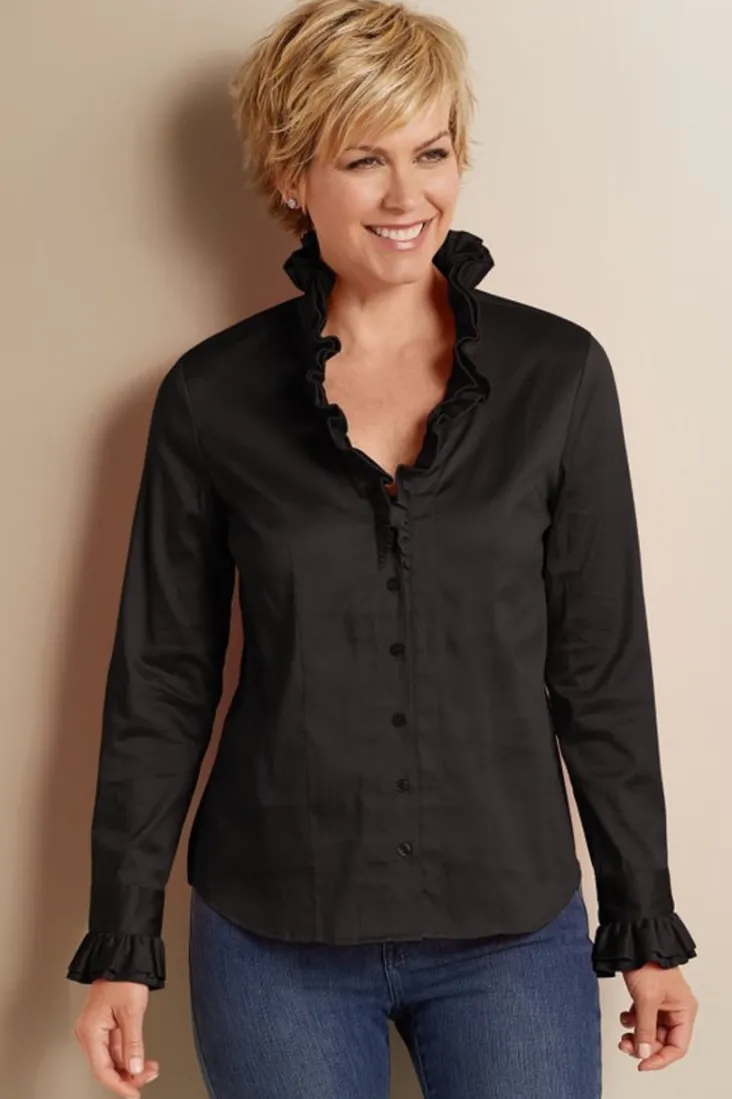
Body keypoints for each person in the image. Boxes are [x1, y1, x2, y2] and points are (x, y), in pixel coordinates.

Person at [68, 1, 699, 1096]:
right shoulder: (211, 397)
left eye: (432, 152)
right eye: (364, 159)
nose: (409, 196)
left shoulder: (558, 378)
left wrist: (643, 921)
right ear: (293, 175)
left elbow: (598, 671)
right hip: (273, 933)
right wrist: (122, 943)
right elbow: (162, 682)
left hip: (510, 932)